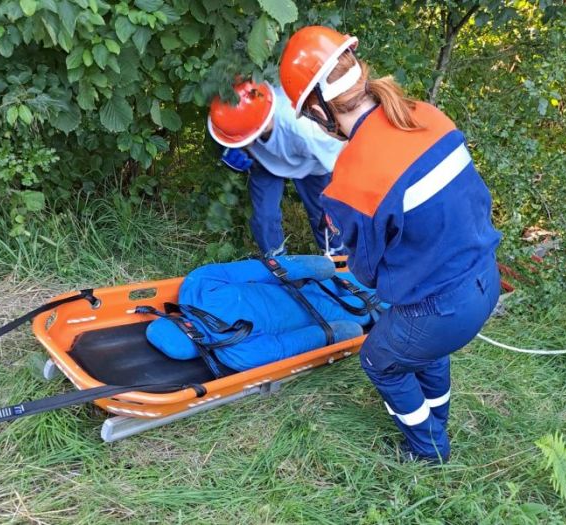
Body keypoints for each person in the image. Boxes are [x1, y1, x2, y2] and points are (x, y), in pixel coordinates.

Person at [278, 26, 502, 463]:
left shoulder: (351, 180)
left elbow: (365, 271)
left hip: (441, 310)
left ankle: (428, 449)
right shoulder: (427, 115)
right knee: (423, 351)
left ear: (320, 112)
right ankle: (438, 421)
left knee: (380, 360)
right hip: (486, 280)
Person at [208, 80, 347, 256]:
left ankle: (338, 259)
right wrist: (227, 147)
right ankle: (278, 264)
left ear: (263, 125)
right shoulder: (240, 106)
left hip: (312, 164)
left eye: (242, 138)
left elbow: (344, 165)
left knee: (325, 214)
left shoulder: (308, 131)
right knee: (264, 218)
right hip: (264, 162)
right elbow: (221, 124)